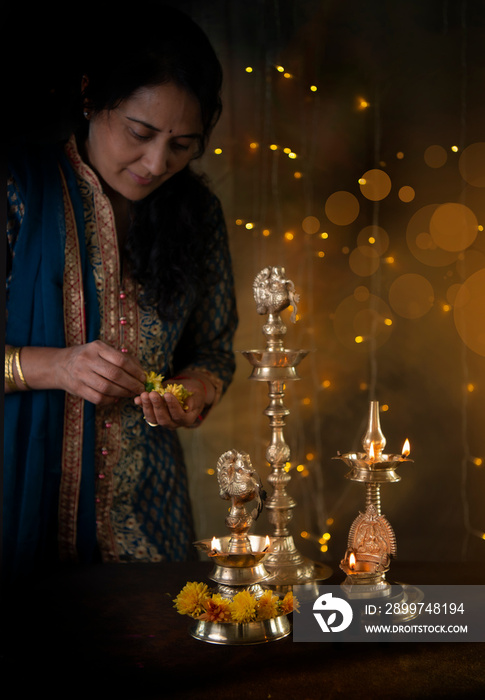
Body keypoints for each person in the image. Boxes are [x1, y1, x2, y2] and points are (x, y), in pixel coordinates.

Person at [4, 4, 238, 583]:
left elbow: (214, 350)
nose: (157, 162)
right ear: (89, 96)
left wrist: (195, 390)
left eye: (183, 144)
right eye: (140, 133)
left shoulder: (198, 214)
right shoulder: (16, 191)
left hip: (150, 514)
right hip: (17, 506)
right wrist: (55, 367)